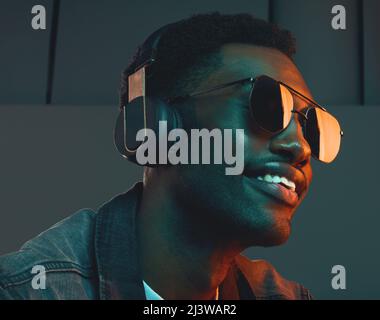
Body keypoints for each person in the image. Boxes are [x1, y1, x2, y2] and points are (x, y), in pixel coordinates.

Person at [0, 12, 342, 300]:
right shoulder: (28, 290)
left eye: (311, 127)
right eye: (268, 104)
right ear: (155, 128)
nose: (302, 148)